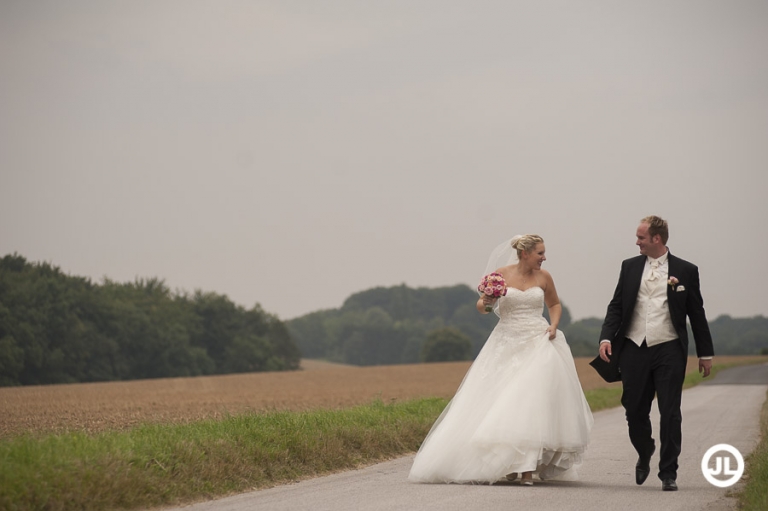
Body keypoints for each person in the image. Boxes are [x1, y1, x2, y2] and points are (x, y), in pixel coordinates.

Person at [408, 234, 593, 486]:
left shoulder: (544, 277)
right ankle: (508, 463)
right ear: (525, 253)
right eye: (540, 253)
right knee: (501, 401)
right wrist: (487, 301)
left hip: (538, 340)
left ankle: (526, 466)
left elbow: (555, 304)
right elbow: (482, 308)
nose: (544, 257)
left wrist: (554, 325)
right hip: (506, 341)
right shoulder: (500, 275)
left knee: (531, 400)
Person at [598, 215, 714, 492]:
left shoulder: (686, 270)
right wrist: (605, 336)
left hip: (669, 347)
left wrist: (705, 353)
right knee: (634, 408)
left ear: (656, 239)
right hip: (634, 347)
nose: (636, 242)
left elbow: (696, 312)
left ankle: (668, 473)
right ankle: (645, 448)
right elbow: (616, 306)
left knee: (670, 411)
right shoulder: (629, 267)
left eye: (640, 237)